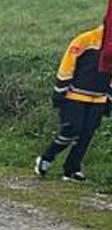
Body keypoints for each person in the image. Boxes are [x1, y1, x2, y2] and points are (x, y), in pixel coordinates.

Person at [34, 24, 109, 182]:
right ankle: (47, 157)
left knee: (86, 134)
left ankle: (72, 169)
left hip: (99, 98)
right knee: (72, 130)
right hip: (74, 96)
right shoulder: (85, 40)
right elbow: (67, 65)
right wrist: (60, 92)